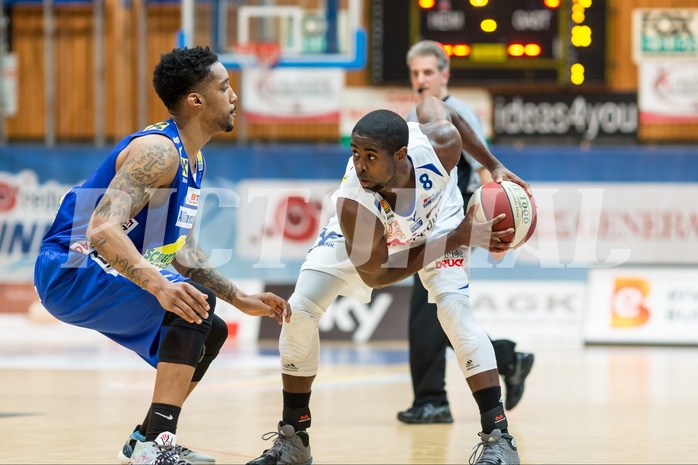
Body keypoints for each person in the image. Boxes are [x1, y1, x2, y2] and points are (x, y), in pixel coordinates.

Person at [33, 46, 290, 465]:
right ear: (196, 100)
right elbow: (101, 229)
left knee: (211, 328)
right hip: (72, 264)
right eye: (224, 86)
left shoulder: (193, 159)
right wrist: (157, 286)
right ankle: (157, 445)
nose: (234, 96)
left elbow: (178, 248)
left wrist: (240, 299)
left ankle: (145, 438)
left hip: (95, 265)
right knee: (190, 308)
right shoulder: (159, 151)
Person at [246, 97, 529, 465]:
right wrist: (458, 238)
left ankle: (498, 438)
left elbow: (436, 106)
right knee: (299, 311)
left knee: (455, 315)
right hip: (379, 237)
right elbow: (378, 275)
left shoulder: (441, 145)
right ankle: (293, 439)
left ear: (400, 154)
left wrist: (493, 165)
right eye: (354, 153)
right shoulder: (353, 205)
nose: (359, 165)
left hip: (440, 220)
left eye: (370, 156)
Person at [397, 40, 535, 425]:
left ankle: (433, 400)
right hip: (423, 228)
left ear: (445, 74)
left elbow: (483, 174)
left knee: (428, 312)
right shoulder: (412, 115)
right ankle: (507, 358)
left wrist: (480, 231)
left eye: (429, 72)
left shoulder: (461, 113)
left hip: (454, 227)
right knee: (442, 314)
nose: (422, 80)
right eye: (416, 73)